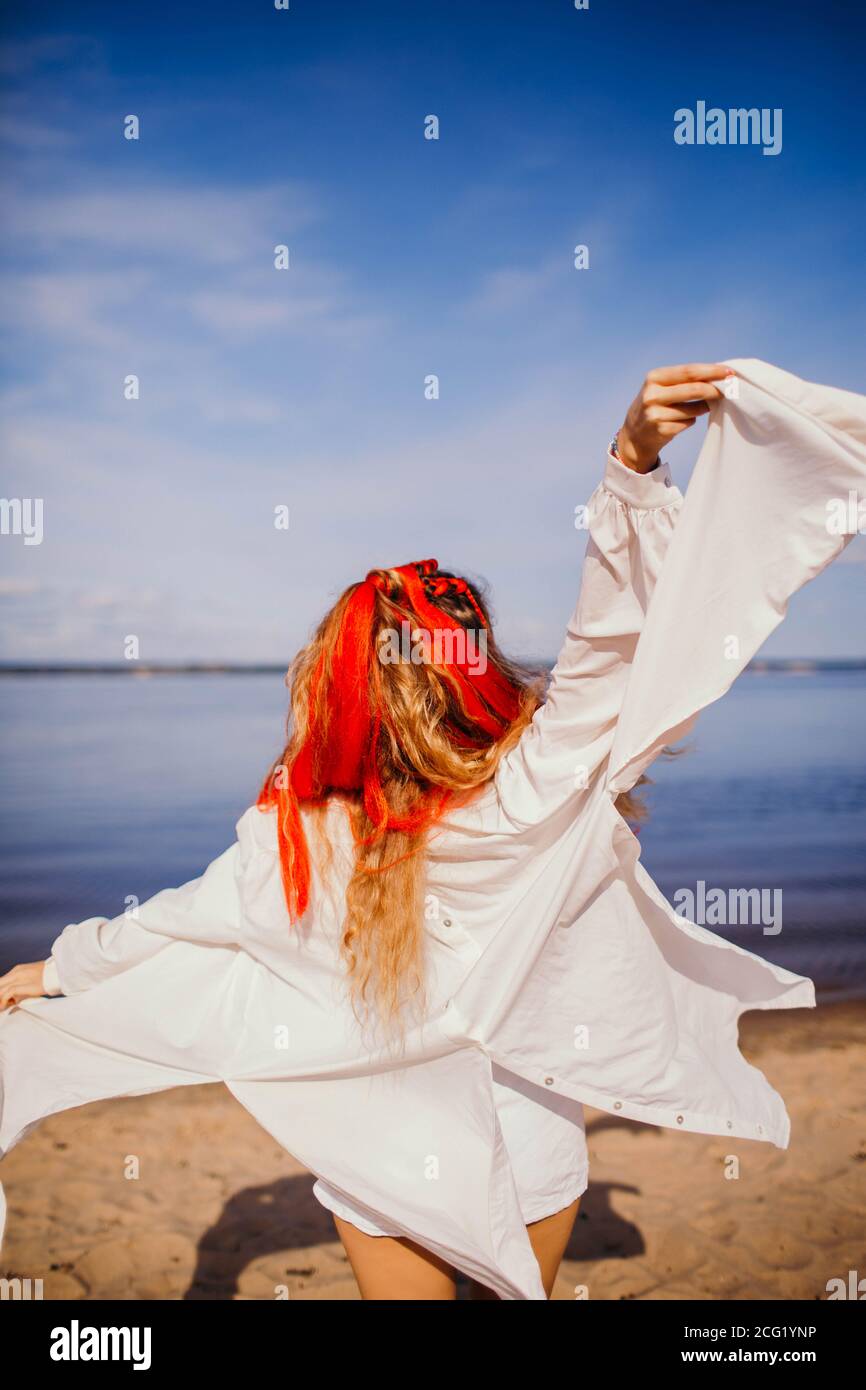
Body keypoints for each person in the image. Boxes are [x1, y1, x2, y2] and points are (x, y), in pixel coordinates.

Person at [2, 360, 864, 1300]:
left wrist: (56, 970)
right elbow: (608, 650)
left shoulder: (296, 832)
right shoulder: (534, 794)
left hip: (386, 1149)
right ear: (477, 669)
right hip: (525, 1143)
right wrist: (630, 468)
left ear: (338, 689)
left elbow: (177, 921)